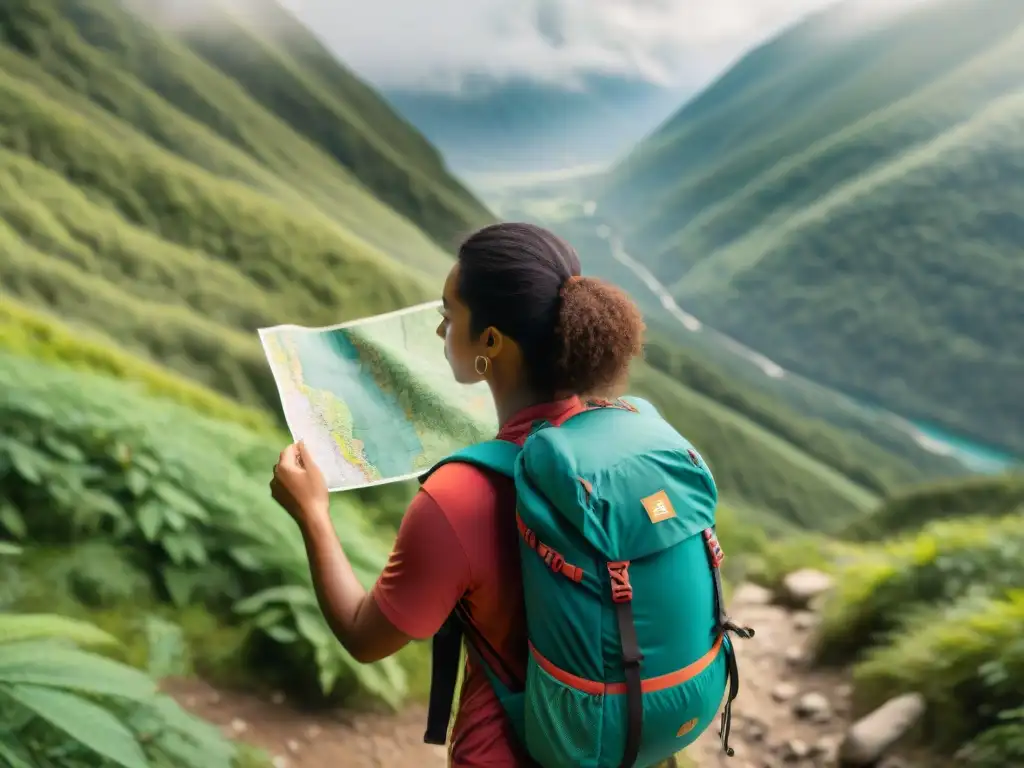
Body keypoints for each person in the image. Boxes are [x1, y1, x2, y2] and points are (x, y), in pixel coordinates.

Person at [269, 221, 646, 767]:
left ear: (490, 342)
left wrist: (313, 514)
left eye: (448, 314)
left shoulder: (460, 497)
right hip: (624, 740)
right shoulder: (616, 437)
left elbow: (364, 636)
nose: (439, 329)